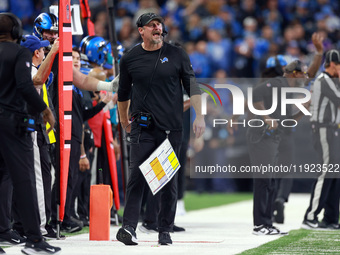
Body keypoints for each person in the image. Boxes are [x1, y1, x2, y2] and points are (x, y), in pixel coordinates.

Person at [116, 12, 205, 246]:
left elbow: (193, 87)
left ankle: (164, 230)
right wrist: (124, 121)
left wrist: (199, 117)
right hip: (142, 128)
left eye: (159, 24)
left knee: (167, 180)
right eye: (151, 25)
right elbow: (122, 94)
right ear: (141, 31)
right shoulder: (129, 58)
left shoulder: (177, 54)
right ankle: (128, 228)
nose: (157, 28)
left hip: (171, 129)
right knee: (136, 177)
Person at [0, 12, 60, 254]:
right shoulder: (19, 53)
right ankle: (35, 240)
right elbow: (26, 85)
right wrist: (44, 109)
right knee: (25, 180)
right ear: (16, 33)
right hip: (14, 123)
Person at [248, 59, 311, 235]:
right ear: (295, 73)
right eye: (304, 73)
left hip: (272, 139)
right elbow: (254, 95)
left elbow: (285, 123)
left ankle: (267, 223)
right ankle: (260, 224)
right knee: (264, 181)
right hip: (260, 137)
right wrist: (267, 117)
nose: (305, 77)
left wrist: (303, 110)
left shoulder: (287, 91)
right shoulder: (277, 83)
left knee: (270, 181)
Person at [18, 34, 62, 239]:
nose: (44, 51)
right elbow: (37, 79)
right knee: (36, 179)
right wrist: (53, 52)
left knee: (34, 177)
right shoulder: (30, 70)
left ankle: (29, 225)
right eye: (43, 49)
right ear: (36, 52)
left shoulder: (21, 68)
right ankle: (39, 227)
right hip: (29, 128)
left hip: (26, 128)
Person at [302, 49, 340, 230]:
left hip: (332, 130)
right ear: (333, 64)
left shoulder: (332, 81)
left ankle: (330, 218)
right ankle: (311, 216)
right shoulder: (324, 80)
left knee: (335, 173)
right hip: (323, 129)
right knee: (326, 171)